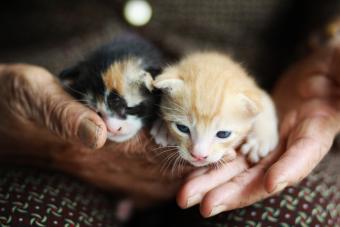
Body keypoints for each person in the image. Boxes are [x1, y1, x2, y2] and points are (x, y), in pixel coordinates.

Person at [0, 0, 339, 226]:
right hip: (44, 95)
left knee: (293, 214)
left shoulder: (246, 102)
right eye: (182, 128)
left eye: (221, 136)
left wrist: (331, 39)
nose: (200, 153)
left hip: (278, 78)